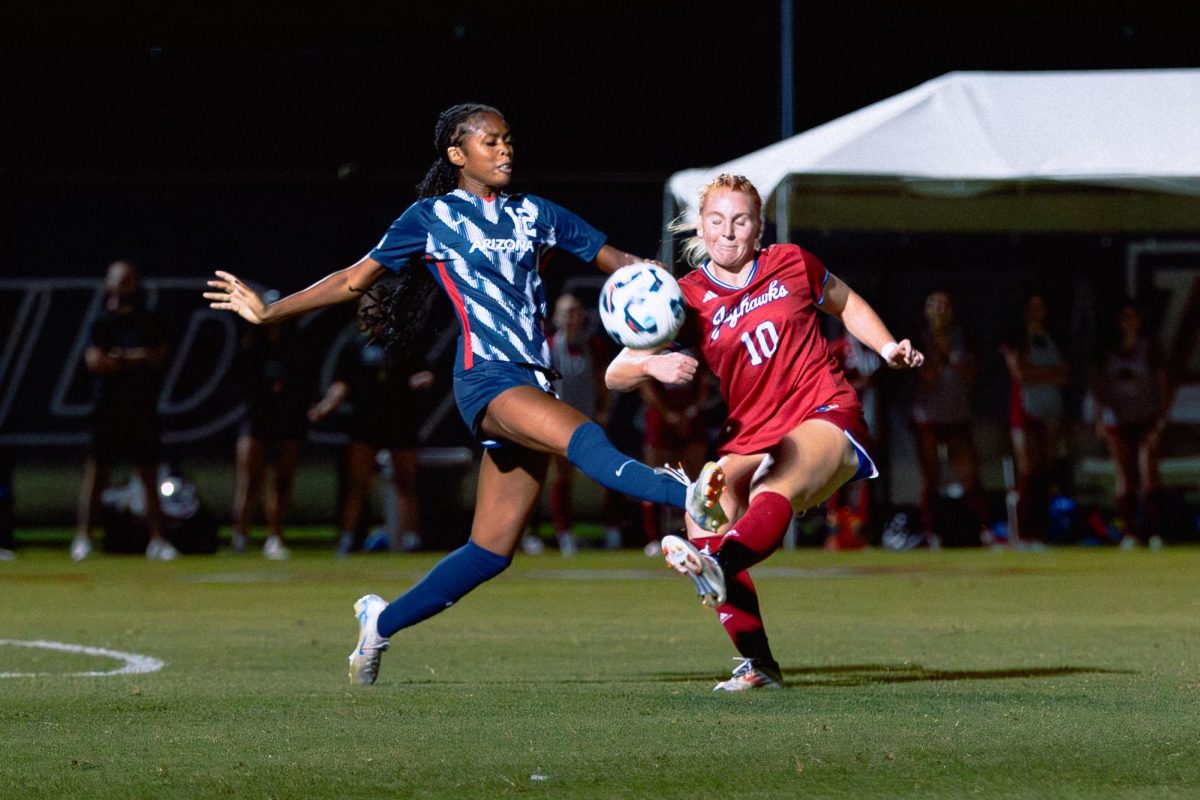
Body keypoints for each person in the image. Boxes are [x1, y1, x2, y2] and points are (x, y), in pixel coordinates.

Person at [205, 103, 726, 685]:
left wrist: (688, 287)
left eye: (508, 140)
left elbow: (624, 266)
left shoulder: (537, 214)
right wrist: (271, 310)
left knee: (490, 552)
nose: (505, 150)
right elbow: (354, 279)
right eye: (490, 141)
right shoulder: (430, 218)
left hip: (534, 380)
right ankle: (684, 497)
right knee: (583, 436)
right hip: (487, 379)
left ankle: (380, 623)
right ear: (457, 155)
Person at [607, 174, 923, 691]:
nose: (728, 232)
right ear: (700, 227)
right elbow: (614, 373)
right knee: (701, 510)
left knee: (768, 488)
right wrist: (652, 368)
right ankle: (758, 663)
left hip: (825, 412)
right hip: (749, 436)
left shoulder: (792, 263)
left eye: (740, 221)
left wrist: (887, 347)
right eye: (716, 220)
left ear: (758, 229)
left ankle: (716, 563)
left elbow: (846, 303)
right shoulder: (685, 298)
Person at [308, 286, 436, 556]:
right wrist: (324, 407)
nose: (374, 315)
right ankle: (348, 538)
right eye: (369, 310)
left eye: (379, 309)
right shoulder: (355, 344)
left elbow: (424, 371)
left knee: (405, 482)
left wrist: (423, 379)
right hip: (365, 422)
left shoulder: (403, 343)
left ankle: (411, 539)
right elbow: (342, 385)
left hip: (400, 419)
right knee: (358, 485)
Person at [73, 260, 177, 561]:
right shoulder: (101, 321)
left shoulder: (149, 320)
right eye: (119, 281)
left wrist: (124, 358)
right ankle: (83, 539)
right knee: (97, 474)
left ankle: (157, 540)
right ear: (109, 284)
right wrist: (134, 358)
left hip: (142, 407)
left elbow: (158, 356)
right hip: (108, 408)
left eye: (128, 280)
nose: (123, 287)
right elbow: (95, 361)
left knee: (148, 475)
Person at [230, 318, 314, 560]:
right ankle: (241, 535)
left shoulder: (295, 350)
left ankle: (275, 536)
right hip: (257, 422)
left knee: (281, 482)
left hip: (288, 422)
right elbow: (239, 382)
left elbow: (305, 382)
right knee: (249, 482)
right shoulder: (249, 348)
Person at [535, 292, 612, 556]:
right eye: (567, 312)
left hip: (588, 420)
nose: (573, 317)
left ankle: (612, 530)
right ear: (557, 317)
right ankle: (563, 534)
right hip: (558, 421)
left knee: (607, 473)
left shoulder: (594, 346)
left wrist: (602, 411)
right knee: (560, 478)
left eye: (577, 311)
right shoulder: (547, 347)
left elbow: (602, 381)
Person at [910, 289, 988, 544]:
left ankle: (979, 530)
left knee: (969, 476)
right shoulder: (919, 339)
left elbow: (969, 373)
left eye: (944, 305)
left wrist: (948, 357)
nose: (939, 310)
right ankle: (932, 532)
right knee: (931, 477)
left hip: (957, 414)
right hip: (928, 417)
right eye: (933, 304)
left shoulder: (963, 337)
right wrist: (941, 357)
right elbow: (926, 374)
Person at [1092, 298, 1171, 550]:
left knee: (1148, 469)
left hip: (1146, 417)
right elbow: (1098, 387)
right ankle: (1130, 533)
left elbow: (1163, 385)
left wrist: (1160, 420)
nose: (1129, 321)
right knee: (1124, 474)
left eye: (1133, 316)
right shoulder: (1107, 350)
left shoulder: (1150, 347)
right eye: (1124, 316)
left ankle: (1155, 531)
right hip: (1118, 420)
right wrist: (1100, 417)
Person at [1000, 290, 1070, 545]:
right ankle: (1023, 532)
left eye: (1041, 306)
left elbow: (1065, 374)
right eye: (1032, 306)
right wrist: (1048, 374)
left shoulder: (1055, 337)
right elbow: (1021, 373)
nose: (1036, 312)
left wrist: (1041, 374)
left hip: (1051, 408)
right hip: (1025, 410)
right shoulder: (1016, 338)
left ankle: (1043, 531)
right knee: (1027, 471)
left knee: (1045, 470)